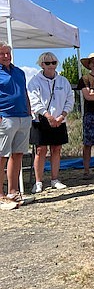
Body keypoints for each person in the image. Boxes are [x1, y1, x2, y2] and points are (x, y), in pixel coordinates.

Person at [28, 52, 75, 193]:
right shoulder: (35, 81)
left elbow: (70, 99)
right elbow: (34, 100)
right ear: (41, 64)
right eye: (47, 63)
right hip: (40, 120)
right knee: (40, 150)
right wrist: (48, 116)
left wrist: (62, 116)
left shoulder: (63, 81)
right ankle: (38, 182)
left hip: (59, 120)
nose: (51, 65)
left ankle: (55, 179)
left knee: (56, 149)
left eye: (54, 62)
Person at [0, 41, 32, 207]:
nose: (6, 56)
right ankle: (0, 194)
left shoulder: (19, 72)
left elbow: (24, 92)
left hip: (23, 117)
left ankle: (13, 191)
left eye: (8, 53)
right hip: (5, 116)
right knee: (2, 156)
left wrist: (29, 112)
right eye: (2, 53)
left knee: (18, 154)